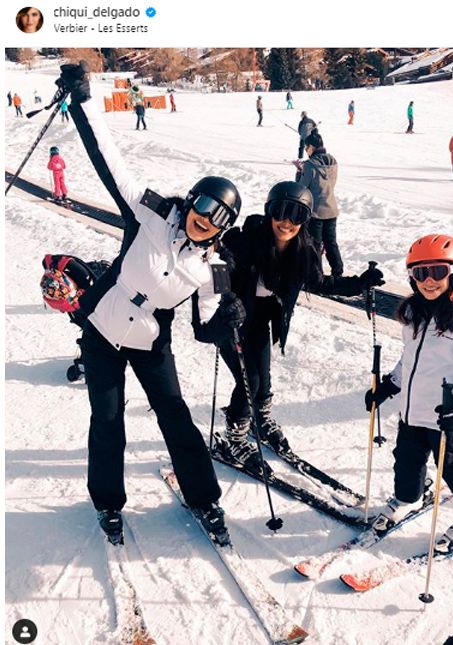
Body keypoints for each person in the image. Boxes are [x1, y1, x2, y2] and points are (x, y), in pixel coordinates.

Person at [56, 62, 246, 541]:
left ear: (224, 228)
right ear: (192, 201)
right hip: (102, 327)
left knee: (176, 415)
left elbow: (207, 327)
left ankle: (205, 499)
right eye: (204, 207)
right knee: (108, 417)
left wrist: (229, 317)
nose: (206, 220)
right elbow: (109, 160)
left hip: (151, 339)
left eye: (219, 218)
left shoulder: (214, 267)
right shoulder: (152, 213)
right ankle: (108, 503)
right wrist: (81, 101)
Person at [217, 181, 384, 468]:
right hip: (231, 321)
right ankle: (234, 437)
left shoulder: (303, 251)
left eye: (297, 216)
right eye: (282, 212)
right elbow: (218, 270)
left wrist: (359, 283)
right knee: (250, 381)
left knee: (263, 379)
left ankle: (260, 419)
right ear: (270, 211)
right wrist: (226, 298)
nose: (287, 222)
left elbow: (321, 283)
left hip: (259, 322)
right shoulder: (245, 240)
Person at [365, 234, 453, 550]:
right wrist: (390, 384)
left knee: (452, 465)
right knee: (406, 459)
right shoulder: (413, 314)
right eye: (420, 273)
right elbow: (408, 358)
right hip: (412, 410)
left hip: (446, 414)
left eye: (437, 271)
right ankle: (408, 498)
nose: (429, 281)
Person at [298, 131, 344, 278]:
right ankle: (338, 271)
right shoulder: (333, 161)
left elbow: (302, 188)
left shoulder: (309, 165)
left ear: (311, 147)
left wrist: (300, 172)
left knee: (315, 244)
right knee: (331, 243)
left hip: (316, 212)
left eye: (307, 148)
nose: (306, 151)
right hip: (331, 209)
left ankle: (317, 276)